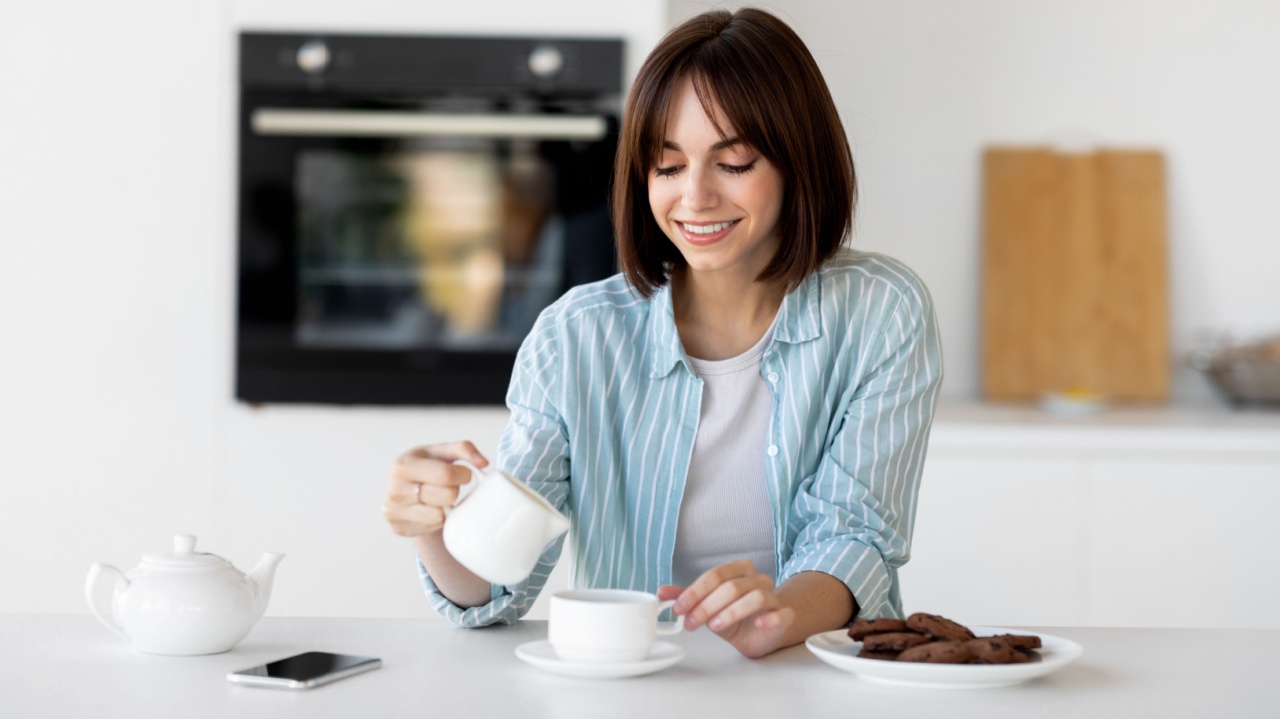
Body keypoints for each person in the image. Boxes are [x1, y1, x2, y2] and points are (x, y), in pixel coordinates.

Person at [382, 7, 943, 659]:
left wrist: (777, 615)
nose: (694, 197)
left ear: (798, 163)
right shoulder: (575, 338)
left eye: (733, 163)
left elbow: (858, 538)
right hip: (628, 683)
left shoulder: (880, 311)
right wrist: (435, 525)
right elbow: (495, 587)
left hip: (812, 673)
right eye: (667, 166)